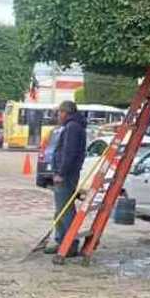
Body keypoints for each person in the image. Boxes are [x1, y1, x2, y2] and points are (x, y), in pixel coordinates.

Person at [46, 102, 86, 255]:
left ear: (65, 112)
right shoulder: (73, 126)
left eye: (59, 113)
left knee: (64, 210)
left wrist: (61, 173)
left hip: (67, 175)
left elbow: (69, 153)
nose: (57, 116)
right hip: (68, 173)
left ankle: (68, 243)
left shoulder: (72, 128)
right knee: (62, 210)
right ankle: (62, 240)